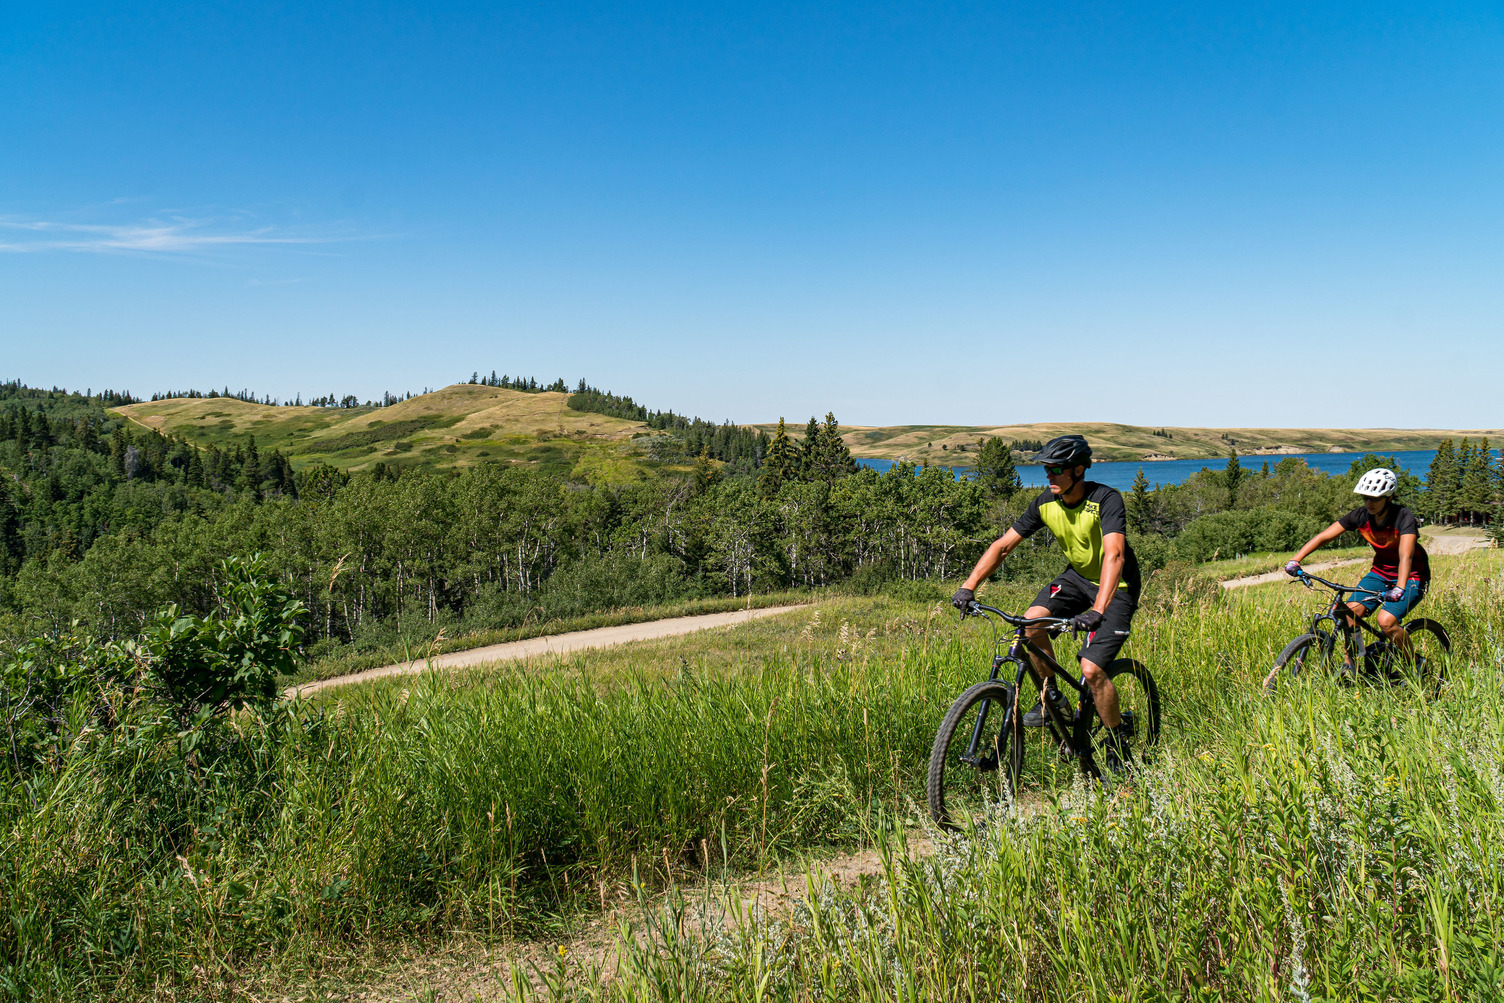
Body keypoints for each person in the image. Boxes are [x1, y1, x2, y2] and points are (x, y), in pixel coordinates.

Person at [950, 434, 1141, 770]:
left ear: (1079, 470)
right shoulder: (1045, 503)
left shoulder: (1105, 500)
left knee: (1092, 669)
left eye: (1055, 469)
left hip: (1117, 585)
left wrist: (1098, 611)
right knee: (1031, 622)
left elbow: (1114, 554)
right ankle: (1052, 696)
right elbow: (1004, 546)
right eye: (1046, 469)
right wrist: (969, 586)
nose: (1048, 475)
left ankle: (1116, 743)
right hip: (1078, 578)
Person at [1284, 467, 1430, 665]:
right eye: (1365, 498)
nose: (1369, 503)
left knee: (1386, 621)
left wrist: (1400, 587)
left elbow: (1406, 556)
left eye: (1375, 498)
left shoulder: (1403, 517)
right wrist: (1296, 559)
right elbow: (1324, 536)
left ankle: (1415, 662)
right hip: (1380, 573)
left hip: (1412, 576)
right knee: (1349, 614)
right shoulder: (1360, 516)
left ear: (1389, 497)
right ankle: (1351, 662)